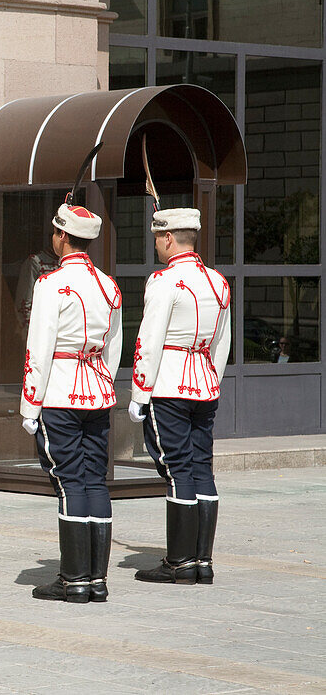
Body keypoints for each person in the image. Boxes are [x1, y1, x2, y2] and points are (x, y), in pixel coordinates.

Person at [20, 199, 122, 603]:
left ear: (62, 237)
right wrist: (102, 385)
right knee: (94, 480)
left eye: (55, 233)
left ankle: (73, 578)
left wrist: (30, 405)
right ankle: (96, 579)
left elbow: (38, 349)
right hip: (97, 393)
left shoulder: (49, 284)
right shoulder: (108, 284)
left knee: (68, 483)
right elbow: (112, 350)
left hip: (60, 393)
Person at [129, 206, 231, 585]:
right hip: (204, 385)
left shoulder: (164, 281)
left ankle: (180, 561)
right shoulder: (218, 282)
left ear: (168, 238)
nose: (156, 243)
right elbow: (222, 344)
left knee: (177, 470)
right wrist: (212, 381)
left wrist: (140, 392)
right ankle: (202, 561)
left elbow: (150, 341)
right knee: (201, 467)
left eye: (158, 237)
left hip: (169, 385)